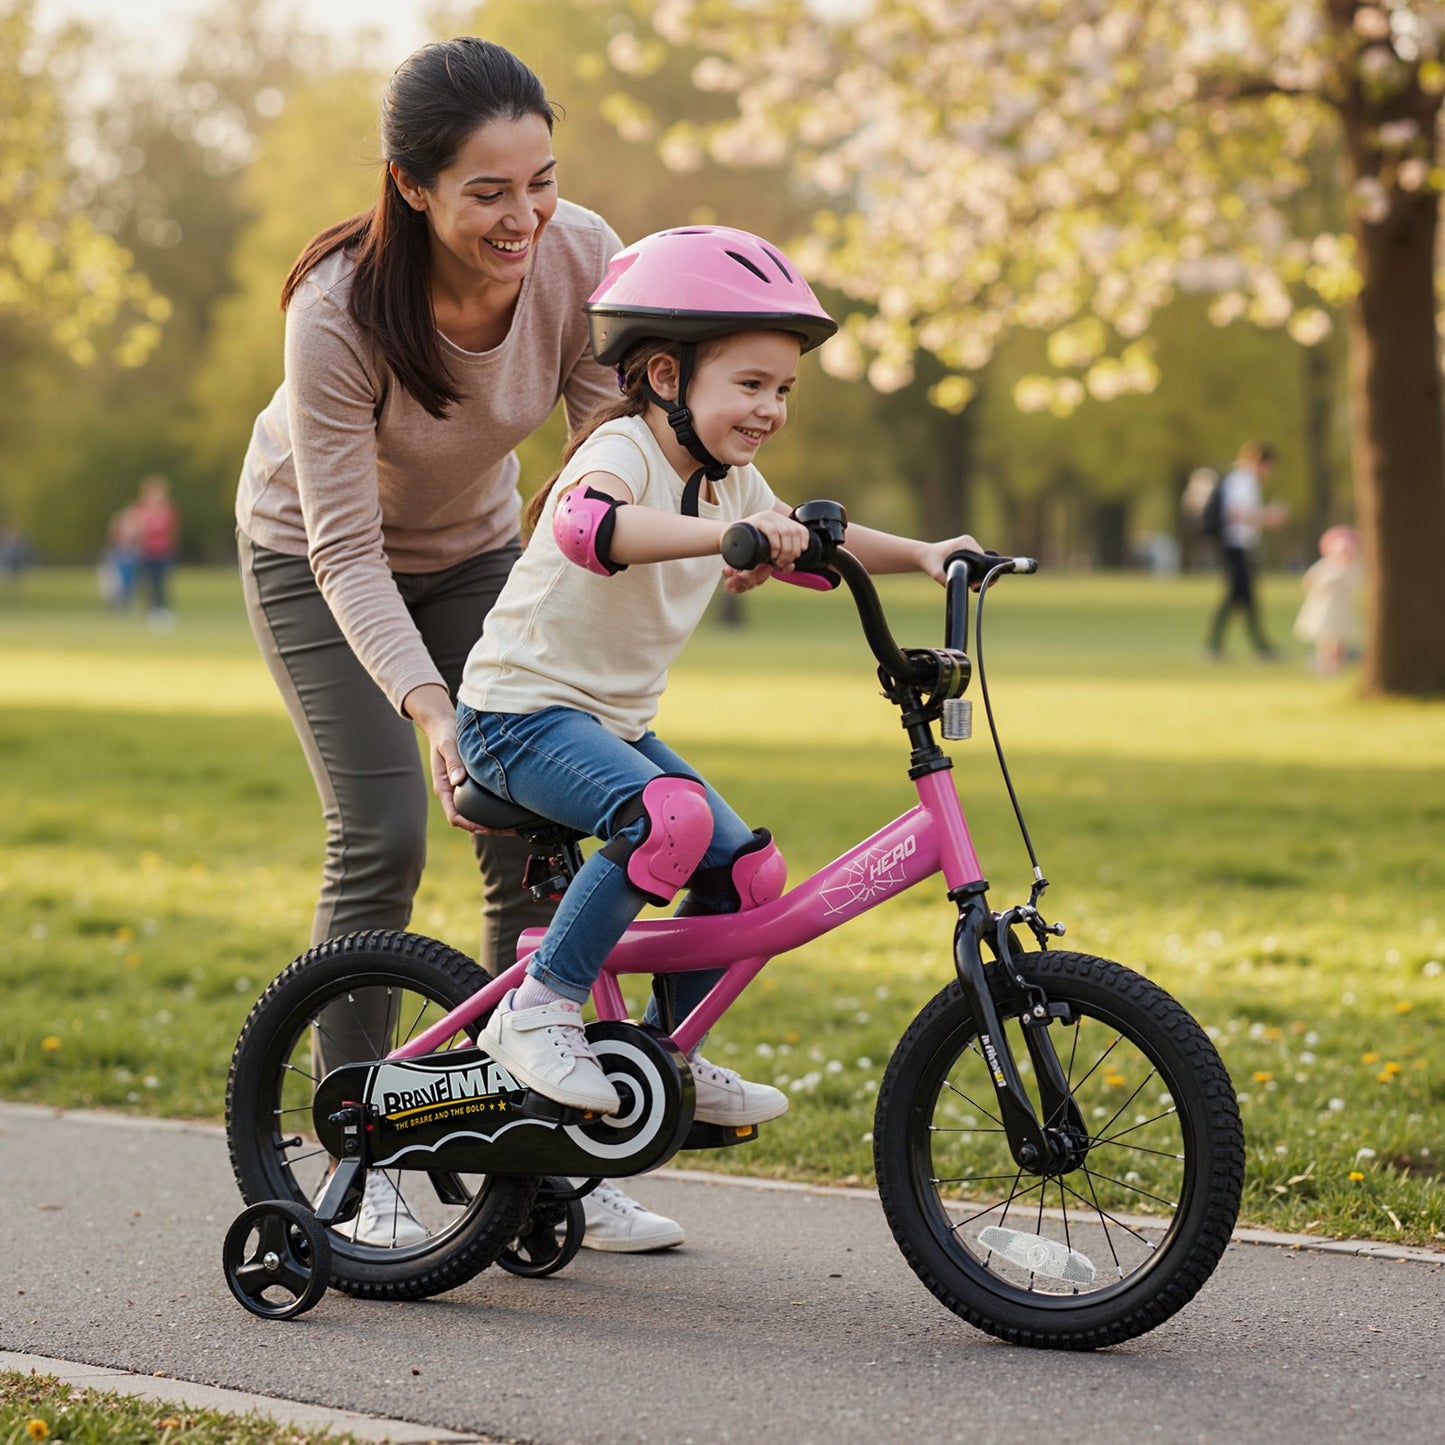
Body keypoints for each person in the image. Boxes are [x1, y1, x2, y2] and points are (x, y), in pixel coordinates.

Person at [233, 37, 680, 1251]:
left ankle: (530, 1156)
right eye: (488, 190)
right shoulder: (336, 315)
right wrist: (436, 714)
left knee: (528, 836)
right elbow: (341, 552)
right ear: (412, 186)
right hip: (314, 560)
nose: (523, 214)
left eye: (539, 178)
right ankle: (365, 1148)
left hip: (481, 548)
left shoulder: (577, 252)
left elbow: (612, 450)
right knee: (382, 833)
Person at [454, 224, 983, 1130]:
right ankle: (536, 1009)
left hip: (605, 726)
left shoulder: (731, 481)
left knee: (746, 869)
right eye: (748, 384)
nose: (769, 408)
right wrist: (724, 538)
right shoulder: (623, 452)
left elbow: (821, 544)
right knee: (669, 814)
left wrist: (925, 554)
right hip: (516, 717)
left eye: (781, 388)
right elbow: (594, 529)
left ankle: (665, 1056)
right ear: (667, 378)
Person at [1205, 441, 1288, 660]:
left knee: (1242, 596)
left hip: (1241, 546)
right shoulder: (1242, 481)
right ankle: (1250, 646)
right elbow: (1235, 514)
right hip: (1235, 545)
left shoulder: (1242, 480)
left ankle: (1252, 645)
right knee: (1240, 595)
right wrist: (1268, 517)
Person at [1294, 524, 1362, 675]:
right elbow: (1310, 580)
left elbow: (1352, 581)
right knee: (1325, 637)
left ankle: (1337, 663)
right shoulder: (1326, 565)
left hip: (1341, 609)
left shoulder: (1351, 568)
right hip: (1324, 608)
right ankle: (1324, 663)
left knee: (1340, 638)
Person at [132, 475, 180, 627]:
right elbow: (138, 529)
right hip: (146, 551)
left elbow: (171, 529)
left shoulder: (168, 509)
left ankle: (162, 610)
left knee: (162, 582)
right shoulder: (141, 508)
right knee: (148, 583)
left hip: (163, 551)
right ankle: (150, 610)